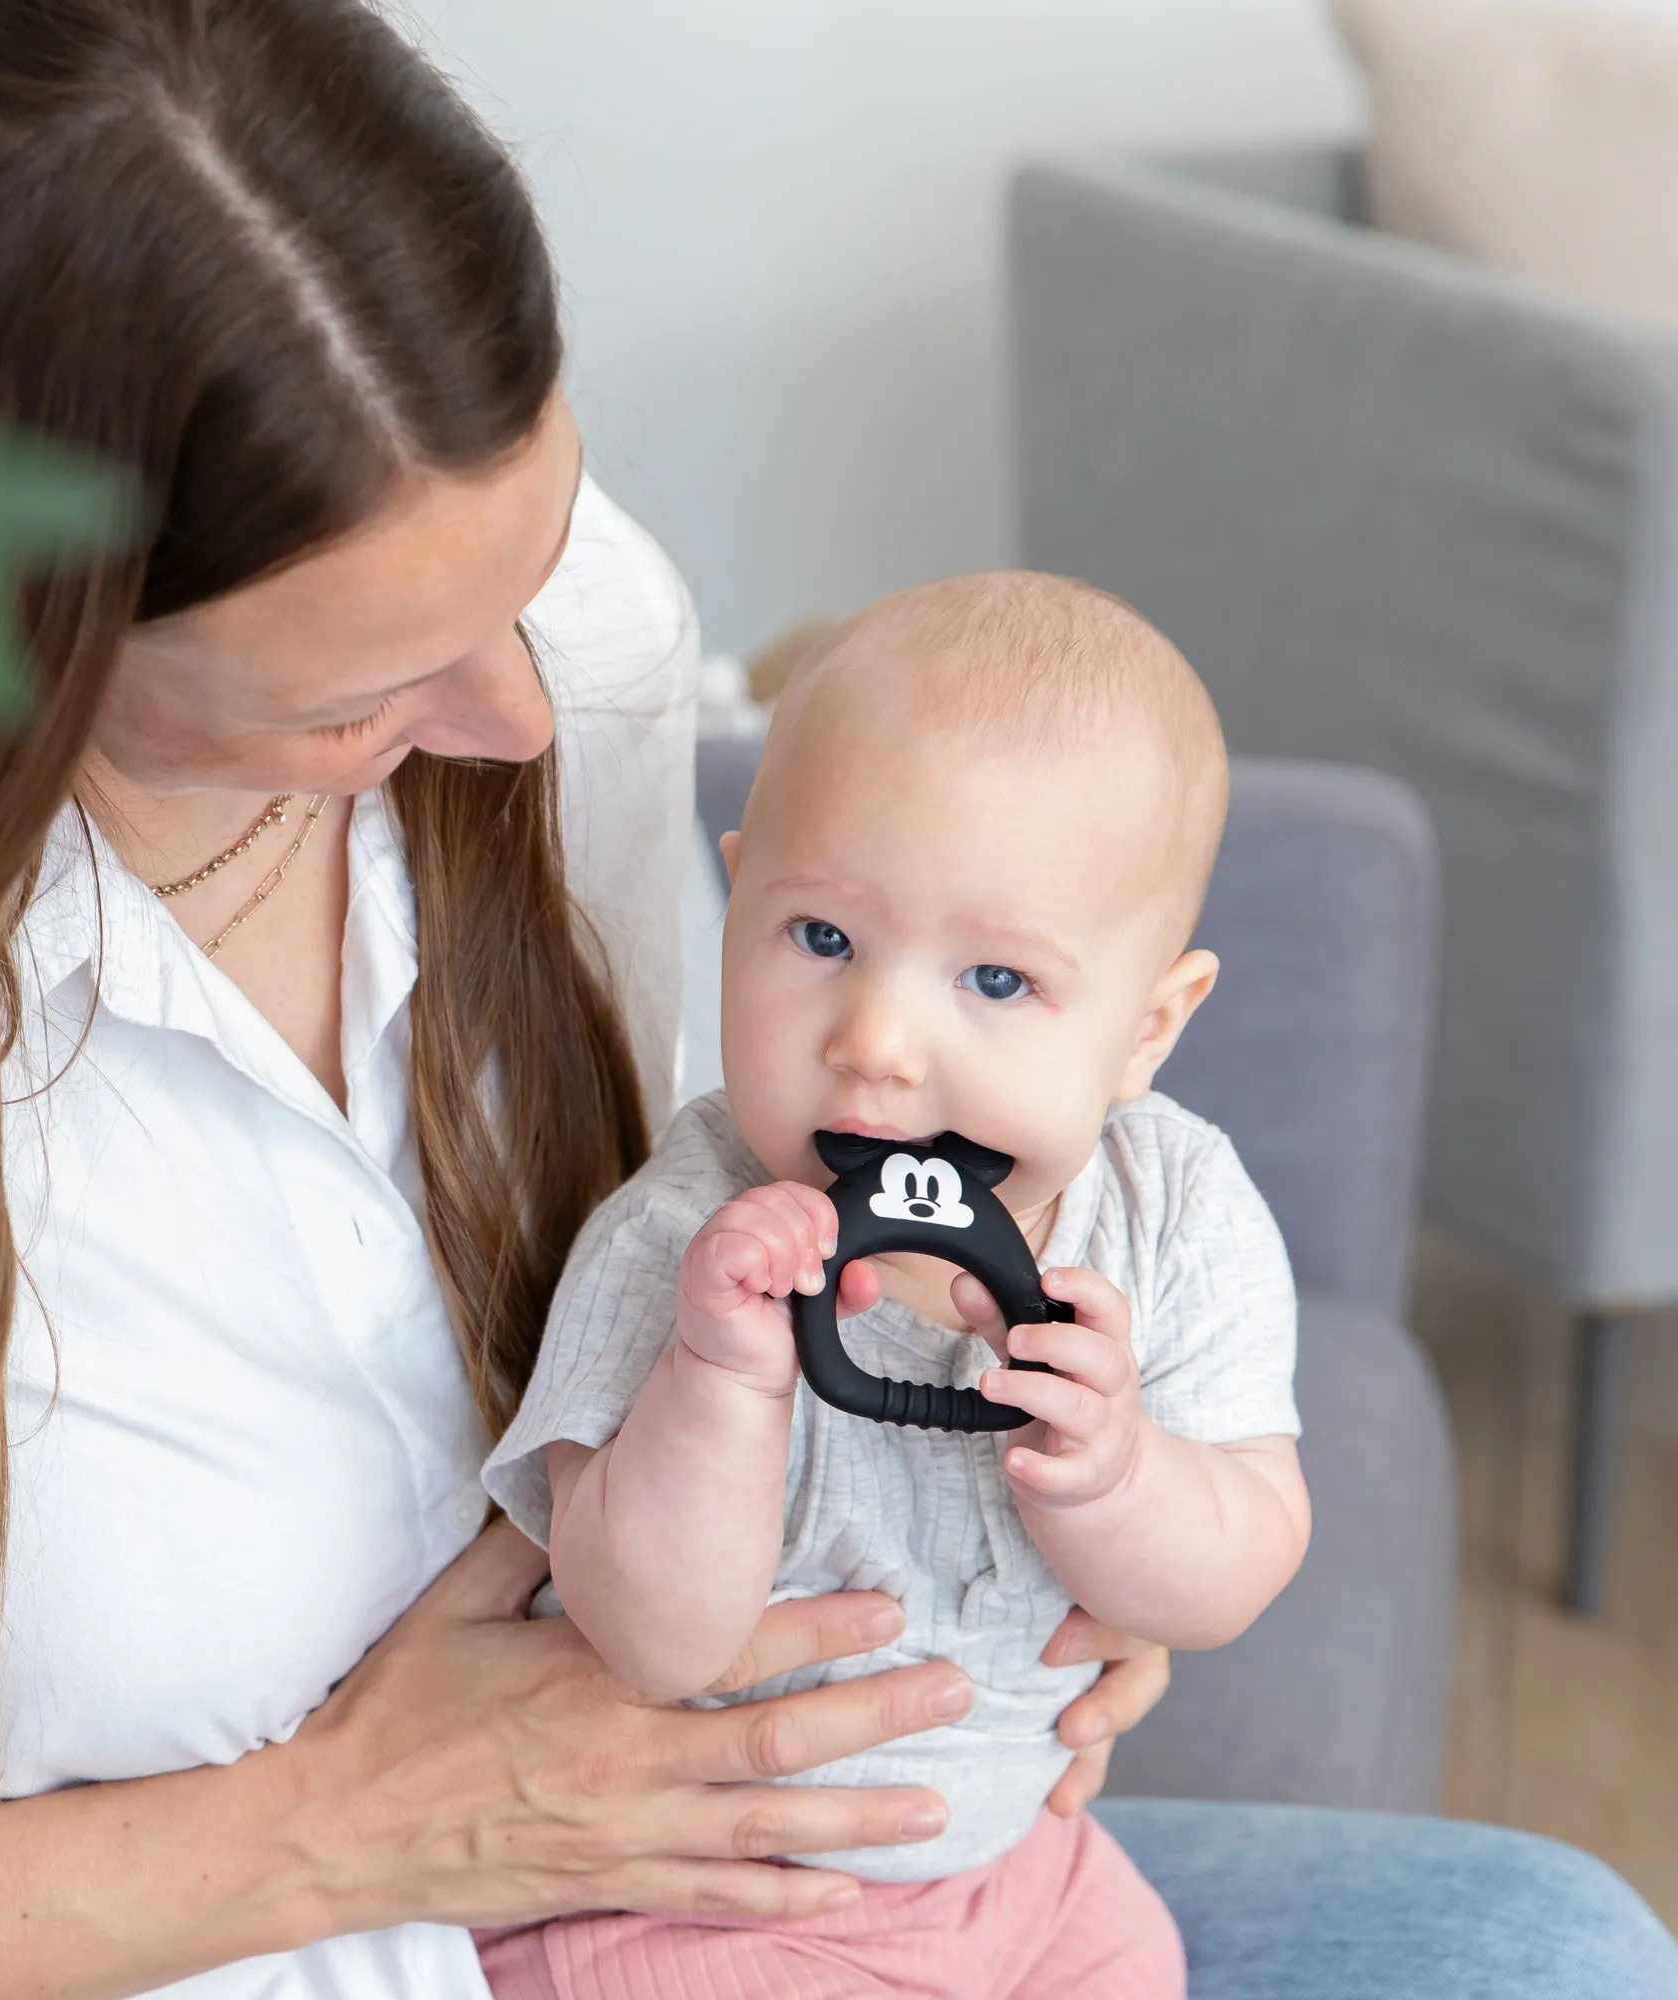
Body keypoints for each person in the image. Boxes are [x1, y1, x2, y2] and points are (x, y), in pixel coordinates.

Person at [0, 6, 1672, 2000]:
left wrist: (1084, 1532)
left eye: (523, 567)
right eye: (351, 696)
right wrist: (338, 1827)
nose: (522, 723)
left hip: (825, 1848)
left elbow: (794, 1149)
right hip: (265, 1952)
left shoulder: (581, 643)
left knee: (1556, 1943)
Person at [476, 574, 1307, 1997]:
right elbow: (651, 1634)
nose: (875, 1044)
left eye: (993, 981)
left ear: (1145, 1029)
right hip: (693, 1900)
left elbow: (1233, 1569)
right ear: (737, 904)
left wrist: (1117, 1474)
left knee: (1135, 1963)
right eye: (821, 941)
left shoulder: (1175, 1211)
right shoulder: (685, 1236)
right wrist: (723, 1383)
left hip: (1022, 1877)